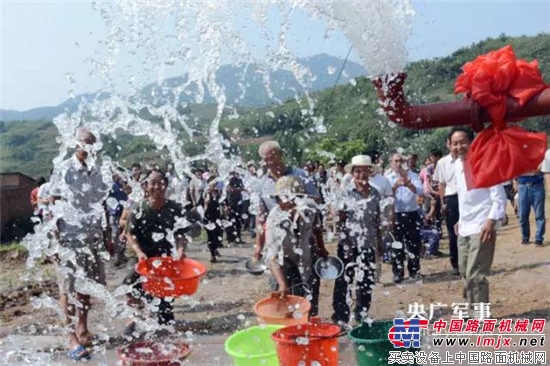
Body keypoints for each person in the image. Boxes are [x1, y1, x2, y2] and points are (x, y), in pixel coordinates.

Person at [49, 128, 109, 361]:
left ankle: (83, 327)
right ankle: (70, 336)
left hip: (93, 236)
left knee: (87, 287)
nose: (90, 148)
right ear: (77, 144)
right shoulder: (64, 169)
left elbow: (102, 205)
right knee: (68, 288)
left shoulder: (98, 171)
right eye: (86, 144)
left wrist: (107, 235)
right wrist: (55, 241)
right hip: (70, 237)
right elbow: (53, 202)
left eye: (93, 145)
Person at [124, 169, 189, 332]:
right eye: (153, 183)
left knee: (165, 293)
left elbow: (181, 235)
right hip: (141, 255)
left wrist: (180, 250)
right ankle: (134, 316)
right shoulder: (138, 209)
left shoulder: (175, 208)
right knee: (130, 282)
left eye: (161, 183)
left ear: (166, 186)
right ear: (146, 186)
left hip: (164, 255)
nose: (157, 187)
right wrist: (139, 252)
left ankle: (165, 320)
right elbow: (130, 235)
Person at [453, 127, 506, 306]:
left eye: (462, 142)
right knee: (464, 271)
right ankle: (470, 310)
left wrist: (491, 221)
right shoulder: (457, 167)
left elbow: (499, 196)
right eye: (454, 143)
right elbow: (465, 198)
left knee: (476, 273)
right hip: (465, 227)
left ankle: (482, 315)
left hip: (482, 227)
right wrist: (460, 221)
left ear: (472, 143)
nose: (459, 146)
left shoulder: (484, 163)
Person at [332, 155, 382, 324]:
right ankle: (340, 316)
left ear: (370, 172)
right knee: (344, 281)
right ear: (352, 173)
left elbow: (377, 221)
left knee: (366, 281)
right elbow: (340, 221)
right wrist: (345, 244)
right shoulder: (346, 193)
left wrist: (379, 243)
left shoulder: (375, 193)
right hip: (348, 244)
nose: (361, 175)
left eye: (365, 171)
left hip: (367, 244)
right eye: (358, 171)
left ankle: (362, 313)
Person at [266, 175, 324, 316]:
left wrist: (321, 247)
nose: (288, 205)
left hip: (305, 260)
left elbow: (316, 228)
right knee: (283, 307)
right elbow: (272, 257)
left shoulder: (310, 210)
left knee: (308, 306)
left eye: (292, 200)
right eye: (282, 200)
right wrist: (282, 283)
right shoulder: (274, 218)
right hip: (282, 265)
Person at [253, 141, 321, 260]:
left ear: (281, 155)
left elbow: (315, 206)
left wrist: (320, 243)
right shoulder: (262, 184)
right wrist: (259, 245)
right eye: (266, 159)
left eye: (273, 157)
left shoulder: (301, 176)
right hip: (277, 241)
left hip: (304, 238)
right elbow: (261, 218)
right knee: (278, 274)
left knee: (309, 275)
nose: (271, 162)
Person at [385, 152, 424, 283]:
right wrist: (395, 186)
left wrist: (409, 184)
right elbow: (385, 196)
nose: (398, 164)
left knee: (413, 243)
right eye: (395, 161)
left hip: (411, 213)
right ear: (390, 162)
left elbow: (420, 191)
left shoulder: (413, 175)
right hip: (395, 214)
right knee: (396, 245)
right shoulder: (388, 177)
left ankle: (414, 270)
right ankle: (398, 272)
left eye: (400, 161)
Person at [433, 133, 461, 275]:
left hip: (466, 198)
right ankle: (456, 263)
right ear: (448, 144)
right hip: (451, 199)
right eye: (453, 143)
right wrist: (443, 203)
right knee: (453, 233)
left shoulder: (467, 159)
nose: (457, 147)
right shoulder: (442, 163)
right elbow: (441, 184)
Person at [515, 151, 549, 245]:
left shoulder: (539, 155)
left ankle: (539, 238)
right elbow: (516, 170)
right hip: (523, 187)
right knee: (522, 215)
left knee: (539, 214)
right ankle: (525, 237)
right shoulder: (519, 157)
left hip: (537, 186)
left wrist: (527, 170)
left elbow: (539, 169)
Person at [203, 179, 223, 263]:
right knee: (211, 236)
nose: (214, 186)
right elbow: (204, 205)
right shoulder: (207, 193)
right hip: (208, 217)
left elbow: (222, 202)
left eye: (216, 184)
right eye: (213, 184)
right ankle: (212, 255)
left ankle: (215, 249)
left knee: (219, 235)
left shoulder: (218, 193)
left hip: (217, 217)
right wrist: (206, 204)